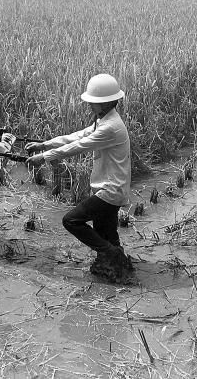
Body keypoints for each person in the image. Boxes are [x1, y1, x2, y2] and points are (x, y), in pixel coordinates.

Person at [26, 73, 133, 282]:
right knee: (107, 237)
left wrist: (44, 157)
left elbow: (79, 146)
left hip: (110, 191)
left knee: (71, 221)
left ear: (107, 102)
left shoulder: (111, 127)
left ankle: (110, 255)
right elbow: (78, 136)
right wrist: (45, 144)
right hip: (110, 189)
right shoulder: (104, 120)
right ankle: (119, 266)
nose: (90, 105)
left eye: (94, 102)